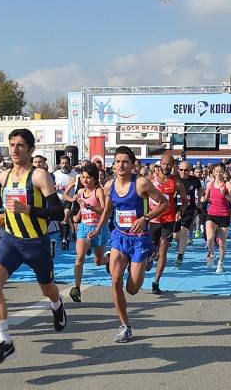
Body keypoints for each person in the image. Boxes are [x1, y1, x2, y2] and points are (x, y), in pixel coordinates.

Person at [0, 128, 67, 364]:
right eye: (12, 145)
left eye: (20, 145)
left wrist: (29, 210)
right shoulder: (4, 177)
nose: (14, 149)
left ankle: (56, 304)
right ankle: (5, 341)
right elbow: (3, 209)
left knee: (47, 289)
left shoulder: (40, 176)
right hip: (11, 241)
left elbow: (57, 212)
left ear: (30, 150)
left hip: (36, 244)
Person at [94, 146, 168, 342]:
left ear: (133, 164)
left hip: (139, 239)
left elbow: (164, 204)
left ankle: (146, 258)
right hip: (119, 236)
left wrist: (145, 218)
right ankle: (125, 326)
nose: (120, 165)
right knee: (115, 280)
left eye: (125, 161)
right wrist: (98, 228)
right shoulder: (109, 186)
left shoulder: (141, 183)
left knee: (132, 289)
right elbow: (107, 211)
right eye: (117, 161)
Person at [69, 163, 109, 303]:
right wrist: (79, 214)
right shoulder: (81, 192)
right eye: (83, 177)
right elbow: (82, 205)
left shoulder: (99, 191)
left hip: (99, 229)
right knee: (79, 257)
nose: (85, 181)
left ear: (95, 178)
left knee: (98, 261)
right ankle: (77, 288)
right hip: (84, 228)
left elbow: (104, 210)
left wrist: (90, 207)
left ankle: (108, 260)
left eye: (89, 178)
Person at [148, 153, 186, 294]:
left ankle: (156, 282)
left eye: (169, 164)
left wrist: (179, 211)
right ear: (160, 164)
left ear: (173, 166)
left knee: (163, 250)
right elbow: (143, 196)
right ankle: (150, 257)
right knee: (152, 250)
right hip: (153, 220)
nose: (166, 166)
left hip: (168, 220)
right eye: (164, 164)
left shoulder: (176, 183)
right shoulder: (151, 181)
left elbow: (185, 201)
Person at [204, 163, 231, 273]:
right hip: (211, 213)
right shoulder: (209, 184)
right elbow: (206, 197)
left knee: (222, 244)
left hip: (224, 215)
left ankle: (220, 263)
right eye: (216, 171)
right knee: (210, 237)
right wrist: (204, 199)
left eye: (221, 171)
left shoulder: (228, 184)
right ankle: (212, 254)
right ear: (213, 172)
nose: (218, 173)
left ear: (224, 172)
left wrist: (225, 194)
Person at [174, 161, 202, 267]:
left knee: (184, 231)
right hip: (175, 210)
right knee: (176, 235)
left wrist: (199, 200)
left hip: (189, 209)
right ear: (178, 170)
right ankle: (180, 243)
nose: (183, 172)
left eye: (186, 170)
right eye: (181, 170)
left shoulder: (195, 180)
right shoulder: (174, 179)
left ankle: (180, 256)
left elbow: (200, 189)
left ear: (190, 170)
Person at [53, 155, 77, 250]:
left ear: (69, 164)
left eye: (66, 163)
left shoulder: (75, 174)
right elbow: (50, 186)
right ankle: (64, 233)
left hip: (69, 199)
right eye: (63, 163)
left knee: (66, 216)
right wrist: (55, 187)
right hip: (58, 199)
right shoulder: (55, 174)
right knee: (60, 220)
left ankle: (64, 240)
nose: (64, 165)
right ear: (60, 164)